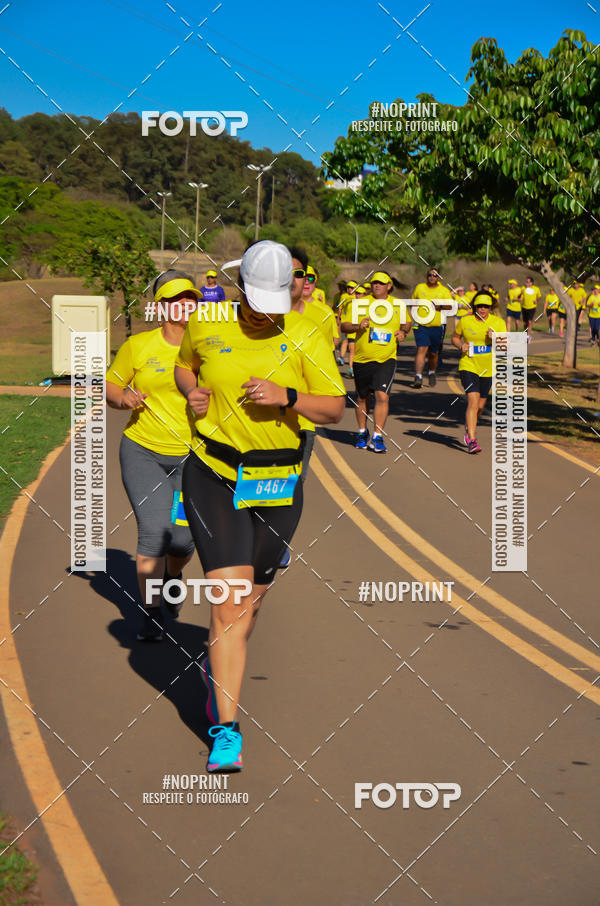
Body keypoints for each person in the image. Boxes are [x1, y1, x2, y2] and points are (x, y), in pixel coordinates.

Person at [174, 241, 345, 772]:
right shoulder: (209, 322)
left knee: (249, 604)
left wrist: (288, 397)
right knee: (229, 602)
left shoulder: (306, 332)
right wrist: (193, 393)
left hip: (277, 479)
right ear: (237, 287)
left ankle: (220, 668)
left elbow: (336, 408)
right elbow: (186, 367)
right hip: (215, 473)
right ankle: (226, 728)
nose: (265, 309)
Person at [105, 270, 201, 641]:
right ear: (161, 306)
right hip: (143, 451)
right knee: (154, 534)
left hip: (194, 459)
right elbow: (112, 387)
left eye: (191, 298)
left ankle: (173, 577)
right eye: (176, 299)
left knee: (182, 540)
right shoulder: (139, 346)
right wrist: (123, 399)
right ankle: (151, 611)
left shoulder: (210, 347)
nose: (185, 305)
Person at [341, 272, 408, 453]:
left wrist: (403, 332)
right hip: (362, 359)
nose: (376, 285)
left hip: (386, 358)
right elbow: (344, 325)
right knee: (363, 397)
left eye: (381, 283)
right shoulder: (360, 304)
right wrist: (358, 326)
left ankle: (377, 437)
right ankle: (362, 432)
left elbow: (407, 323)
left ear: (389, 286)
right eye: (374, 282)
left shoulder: (397, 305)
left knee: (382, 396)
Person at [451, 290, 506, 454]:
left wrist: (495, 338)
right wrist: (460, 346)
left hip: (488, 368)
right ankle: (472, 441)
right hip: (468, 365)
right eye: (480, 306)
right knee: (473, 402)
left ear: (491, 307)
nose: (482, 309)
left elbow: (505, 346)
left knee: (480, 407)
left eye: (486, 306)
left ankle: (469, 428)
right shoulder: (465, 320)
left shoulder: (498, 323)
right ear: (475, 306)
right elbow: (454, 337)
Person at [409, 267, 454, 388]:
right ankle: (418, 376)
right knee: (421, 349)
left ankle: (432, 372)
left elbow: (450, 306)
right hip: (421, 325)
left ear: (438, 278)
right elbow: (412, 303)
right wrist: (414, 317)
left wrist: (440, 306)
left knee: (433, 353)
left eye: (435, 275)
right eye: (430, 275)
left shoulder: (443, 291)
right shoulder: (420, 288)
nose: (432, 277)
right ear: (426, 276)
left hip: (436, 326)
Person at [338, 281, 358, 371]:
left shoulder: (358, 297)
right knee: (345, 341)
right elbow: (340, 308)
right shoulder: (344, 296)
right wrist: (338, 319)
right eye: (348, 287)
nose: (350, 289)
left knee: (352, 346)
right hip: (345, 323)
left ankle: (351, 367)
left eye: (352, 287)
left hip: (355, 324)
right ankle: (342, 358)